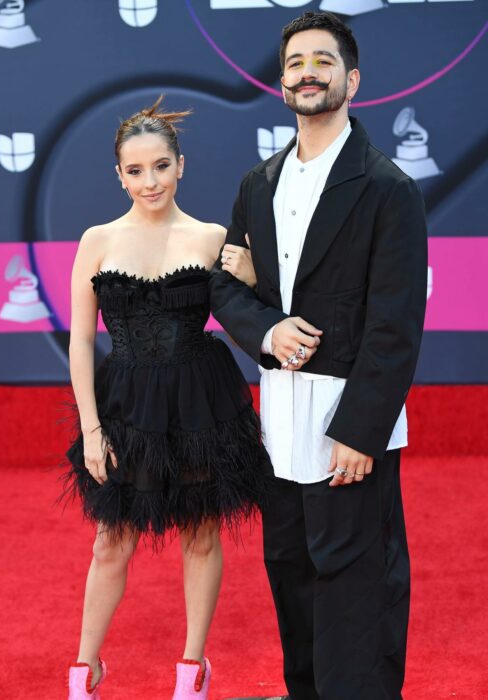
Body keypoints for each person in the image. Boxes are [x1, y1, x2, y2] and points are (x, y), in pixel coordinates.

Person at [210, 11, 428, 700]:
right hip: (280, 420)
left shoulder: (389, 188)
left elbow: (396, 325)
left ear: (351, 79)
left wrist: (361, 430)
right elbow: (224, 282)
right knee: (291, 568)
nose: (307, 71)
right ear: (283, 83)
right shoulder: (258, 184)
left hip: (348, 423)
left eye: (322, 61)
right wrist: (268, 331)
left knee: (357, 583)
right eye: (296, 61)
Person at [63, 97, 268, 700]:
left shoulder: (211, 238)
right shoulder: (96, 241)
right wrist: (92, 429)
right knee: (110, 540)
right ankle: (84, 669)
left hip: (202, 401)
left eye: (160, 166)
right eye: (135, 170)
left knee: (201, 533)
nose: (148, 181)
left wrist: (252, 277)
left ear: (182, 166)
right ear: (118, 175)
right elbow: (79, 341)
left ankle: (191, 669)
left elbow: (249, 314)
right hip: (125, 405)